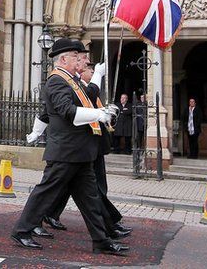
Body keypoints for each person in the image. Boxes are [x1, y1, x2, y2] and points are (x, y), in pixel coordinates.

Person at [11, 38, 127, 256]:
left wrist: (103, 105)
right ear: (63, 59)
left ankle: (101, 240)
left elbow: (88, 100)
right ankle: (22, 230)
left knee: (90, 198)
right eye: (76, 56)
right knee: (46, 192)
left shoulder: (72, 81)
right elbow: (68, 111)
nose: (80, 60)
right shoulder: (56, 81)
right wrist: (99, 114)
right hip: (66, 150)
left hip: (80, 151)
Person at [37, 59, 131, 239]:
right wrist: (99, 75)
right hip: (73, 147)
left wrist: (107, 113)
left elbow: (92, 105)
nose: (86, 69)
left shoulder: (81, 86)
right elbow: (58, 111)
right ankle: (30, 223)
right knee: (76, 190)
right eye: (87, 68)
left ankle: (105, 232)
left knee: (85, 191)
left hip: (90, 145)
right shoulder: (71, 84)